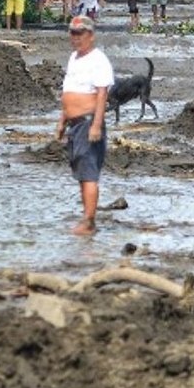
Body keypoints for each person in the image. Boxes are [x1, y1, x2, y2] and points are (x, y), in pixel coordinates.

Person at [55, 15, 114, 236]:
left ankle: (89, 221)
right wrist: (62, 121)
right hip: (75, 124)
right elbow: (68, 92)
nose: (75, 38)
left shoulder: (99, 60)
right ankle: (87, 217)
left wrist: (96, 125)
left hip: (88, 123)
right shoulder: (74, 58)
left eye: (80, 34)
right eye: (72, 33)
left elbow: (101, 95)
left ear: (91, 35)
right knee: (81, 172)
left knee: (89, 173)